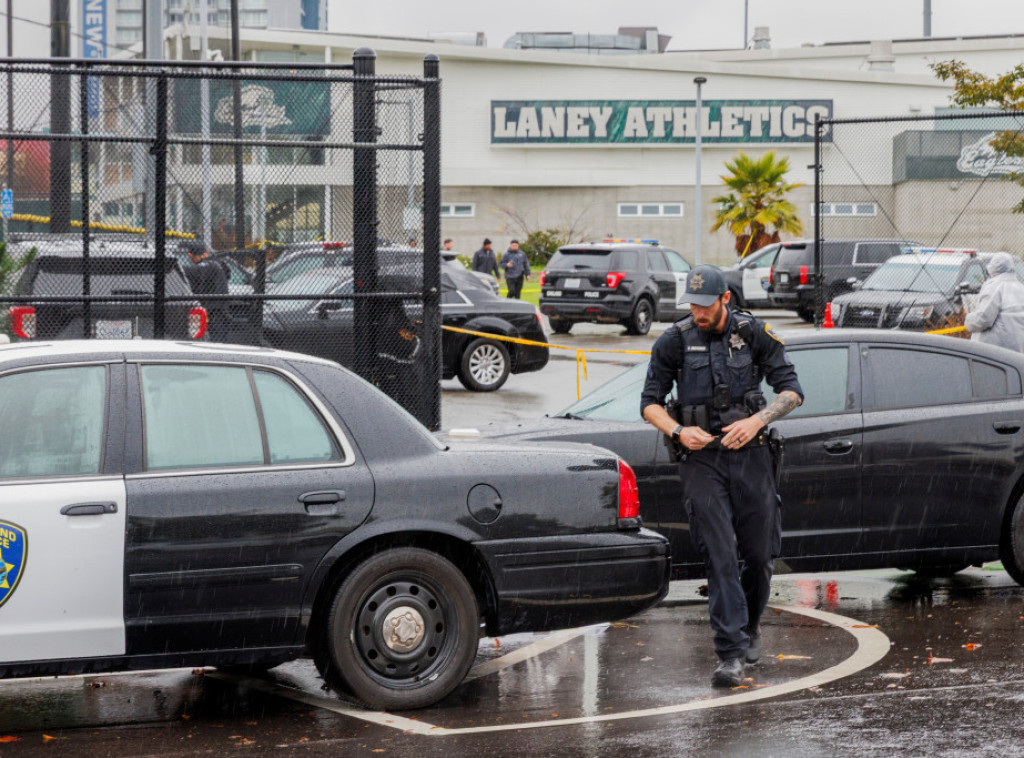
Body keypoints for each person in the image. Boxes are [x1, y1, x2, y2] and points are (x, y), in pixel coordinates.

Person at [640, 264, 803, 688]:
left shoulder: (753, 333)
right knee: (720, 555)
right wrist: (677, 430)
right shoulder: (674, 340)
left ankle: (749, 628)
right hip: (702, 460)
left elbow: (792, 391)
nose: (697, 312)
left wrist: (757, 422)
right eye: (692, 305)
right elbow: (649, 403)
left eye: (704, 305)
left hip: (751, 455)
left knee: (759, 556)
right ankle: (729, 653)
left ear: (724, 299)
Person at [964, 252, 1024, 353]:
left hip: (994, 351)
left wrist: (968, 321)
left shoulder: (994, 286)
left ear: (993, 269)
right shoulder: (1020, 288)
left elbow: (983, 319)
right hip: (1017, 350)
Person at [181, 237, 229, 341]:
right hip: (221, 312)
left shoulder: (199, 269)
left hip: (208, 314)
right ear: (207, 251)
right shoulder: (219, 264)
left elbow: (190, 274)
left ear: (190, 255)